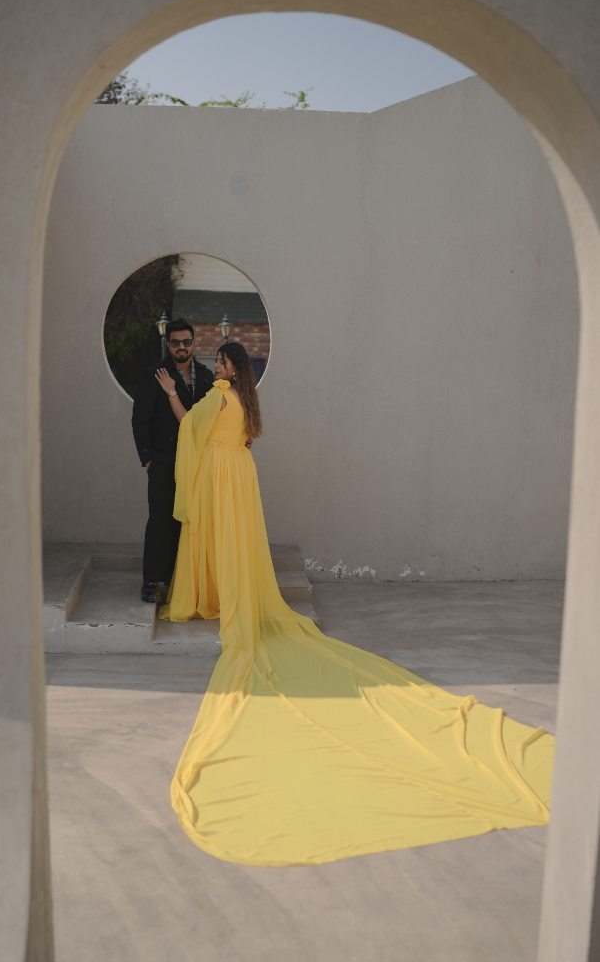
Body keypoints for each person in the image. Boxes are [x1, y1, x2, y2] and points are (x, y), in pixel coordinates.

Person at [156, 342, 555, 868]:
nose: (218, 367)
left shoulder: (217, 396)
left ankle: (212, 596)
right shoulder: (248, 400)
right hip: (242, 475)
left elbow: (189, 428)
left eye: (222, 362)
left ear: (231, 367)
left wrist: (171, 394)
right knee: (238, 544)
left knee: (218, 541)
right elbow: (244, 439)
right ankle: (230, 594)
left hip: (221, 475)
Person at [131, 319, 213, 602]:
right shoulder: (155, 375)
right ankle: (152, 581)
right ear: (169, 345)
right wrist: (147, 460)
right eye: (176, 342)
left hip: (195, 463)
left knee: (186, 520)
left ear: (194, 343)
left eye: (186, 342)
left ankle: (177, 580)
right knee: (160, 520)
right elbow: (140, 420)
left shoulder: (206, 376)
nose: (181, 347)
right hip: (164, 461)